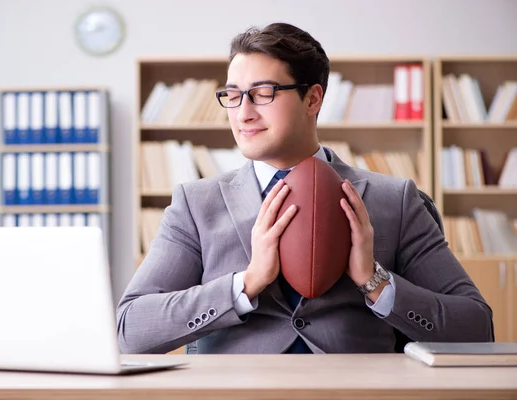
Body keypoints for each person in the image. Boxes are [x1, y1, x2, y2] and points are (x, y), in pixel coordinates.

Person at [116, 22, 493, 354]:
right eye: (232, 95)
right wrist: (245, 285)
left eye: (263, 93)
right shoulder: (196, 204)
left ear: (312, 98)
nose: (243, 112)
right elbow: (130, 329)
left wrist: (374, 281)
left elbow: (477, 328)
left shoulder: (394, 198)